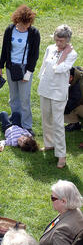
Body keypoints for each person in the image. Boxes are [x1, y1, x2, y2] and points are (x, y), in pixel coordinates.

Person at [37, 25, 77, 169]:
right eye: (57, 40)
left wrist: (64, 54)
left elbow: (59, 69)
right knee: (46, 118)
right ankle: (49, 144)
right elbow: (44, 66)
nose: (59, 43)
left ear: (68, 40)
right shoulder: (50, 48)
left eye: (62, 41)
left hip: (59, 92)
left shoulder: (72, 54)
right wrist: (40, 79)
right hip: (46, 88)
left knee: (58, 124)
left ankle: (61, 155)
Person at [0, 5, 40, 136]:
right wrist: (0, 66)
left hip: (25, 68)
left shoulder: (34, 33)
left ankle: (27, 126)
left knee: (25, 98)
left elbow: (34, 55)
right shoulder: (10, 30)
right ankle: (16, 122)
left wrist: (28, 73)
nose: (25, 27)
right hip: (11, 67)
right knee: (14, 97)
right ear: (17, 20)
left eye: (28, 24)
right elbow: (5, 49)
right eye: (22, 24)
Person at [38, 180, 83, 245]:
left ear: (63, 201)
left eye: (53, 198)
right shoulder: (75, 212)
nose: (51, 200)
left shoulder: (63, 230)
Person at [64, 67, 83, 132]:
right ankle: (75, 124)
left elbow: (73, 102)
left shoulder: (77, 86)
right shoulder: (77, 73)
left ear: (71, 77)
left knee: (64, 105)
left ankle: (74, 124)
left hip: (78, 102)